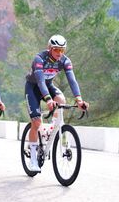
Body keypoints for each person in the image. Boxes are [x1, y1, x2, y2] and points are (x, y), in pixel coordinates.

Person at [25, 34, 89, 172]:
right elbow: (40, 81)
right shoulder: (39, 58)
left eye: (62, 50)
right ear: (49, 48)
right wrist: (48, 99)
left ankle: (52, 129)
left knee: (61, 100)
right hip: (33, 88)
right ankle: (33, 159)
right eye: (56, 50)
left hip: (48, 85)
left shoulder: (65, 61)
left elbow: (72, 80)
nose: (59, 53)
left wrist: (79, 100)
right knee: (36, 122)